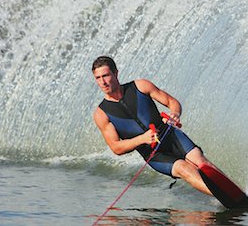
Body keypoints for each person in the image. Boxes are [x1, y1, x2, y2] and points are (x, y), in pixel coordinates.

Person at [92, 55, 215, 197]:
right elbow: (116, 147)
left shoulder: (140, 86)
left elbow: (171, 102)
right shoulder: (101, 114)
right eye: (98, 78)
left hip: (171, 136)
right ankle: (221, 196)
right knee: (183, 168)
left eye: (106, 76)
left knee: (201, 162)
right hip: (154, 155)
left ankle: (235, 192)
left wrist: (175, 114)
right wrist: (142, 139)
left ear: (116, 73)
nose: (103, 82)